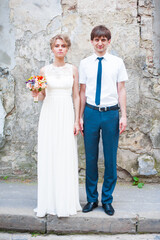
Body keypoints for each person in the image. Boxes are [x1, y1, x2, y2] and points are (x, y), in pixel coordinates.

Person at [79, 25, 128, 216]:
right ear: (91, 42)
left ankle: (107, 199)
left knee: (110, 158)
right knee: (90, 159)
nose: (100, 43)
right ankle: (92, 199)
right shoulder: (84, 63)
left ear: (109, 41)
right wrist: (80, 117)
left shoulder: (117, 62)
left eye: (103, 40)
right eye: (96, 40)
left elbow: (121, 89)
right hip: (91, 113)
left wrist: (123, 115)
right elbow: (82, 92)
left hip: (110, 114)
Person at [33, 34, 81, 217]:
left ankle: (66, 200)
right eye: (57, 46)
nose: (60, 48)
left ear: (67, 48)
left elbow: (76, 96)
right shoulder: (43, 70)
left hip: (67, 113)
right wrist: (35, 92)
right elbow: (41, 95)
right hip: (49, 113)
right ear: (52, 49)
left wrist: (76, 120)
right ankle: (49, 200)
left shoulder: (73, 70)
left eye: (63, 46)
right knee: (50, 153)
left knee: (65, 154)